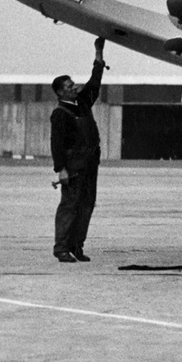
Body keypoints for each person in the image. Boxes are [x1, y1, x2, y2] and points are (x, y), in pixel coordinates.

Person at [51, 38, 106, 263]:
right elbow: (56, 144)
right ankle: (61, 248)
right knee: (70, 205)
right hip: (73, 166)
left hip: (91, 163)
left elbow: (94, 82)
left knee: (87, 204)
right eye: (69, 86)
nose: (74, 86)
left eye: (73, 83)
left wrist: (99, 55)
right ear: (60, 93)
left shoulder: (82, 103)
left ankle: (76, 246)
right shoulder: (60, 113)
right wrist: (60, 170)